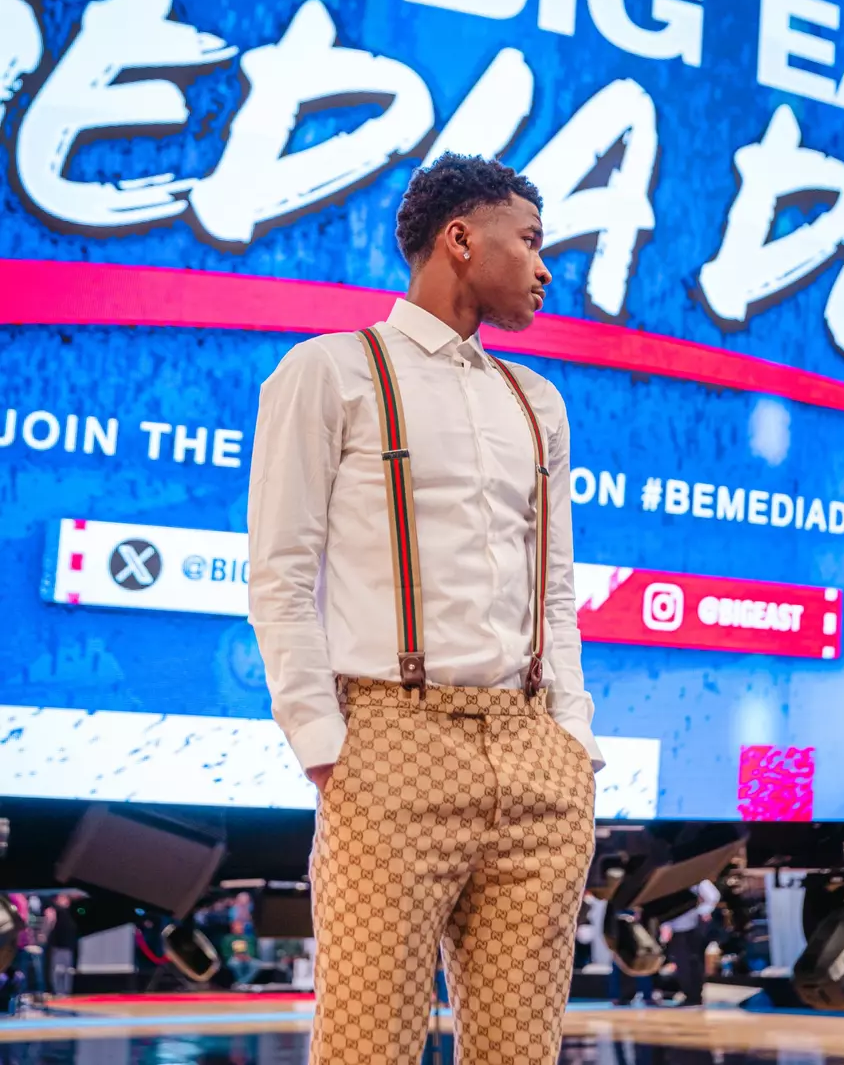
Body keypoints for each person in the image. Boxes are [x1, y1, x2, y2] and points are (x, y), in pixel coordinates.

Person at [249, 152, 603, 1065]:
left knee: (521, 1053)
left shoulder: (537, 401)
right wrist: (325, 746)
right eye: (530, 241)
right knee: (366, 1046)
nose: (545, 268)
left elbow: (556, 588)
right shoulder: (331, 371)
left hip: (534, 751)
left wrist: (573, 736)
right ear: (460, 238)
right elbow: (281, 573)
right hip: (391, 742)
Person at [662, 880, 721, 1006]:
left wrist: (702, 912)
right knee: (682, 963)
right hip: (677, 929)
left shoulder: (698, 880)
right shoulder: (671, 881)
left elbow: (713, 896)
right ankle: (689, 994)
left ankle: (694, 996)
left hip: (693, 928)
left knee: (693, 962)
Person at [43, 893, 77, 996]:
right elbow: (50, 926)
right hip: (58, 946)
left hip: (67, 946)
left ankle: (65, 991)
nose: (66, 901)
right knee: (57, 970)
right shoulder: (54, 911)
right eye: (62, 898)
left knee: (66, 971)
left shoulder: (70, 913)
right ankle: (58, 991)